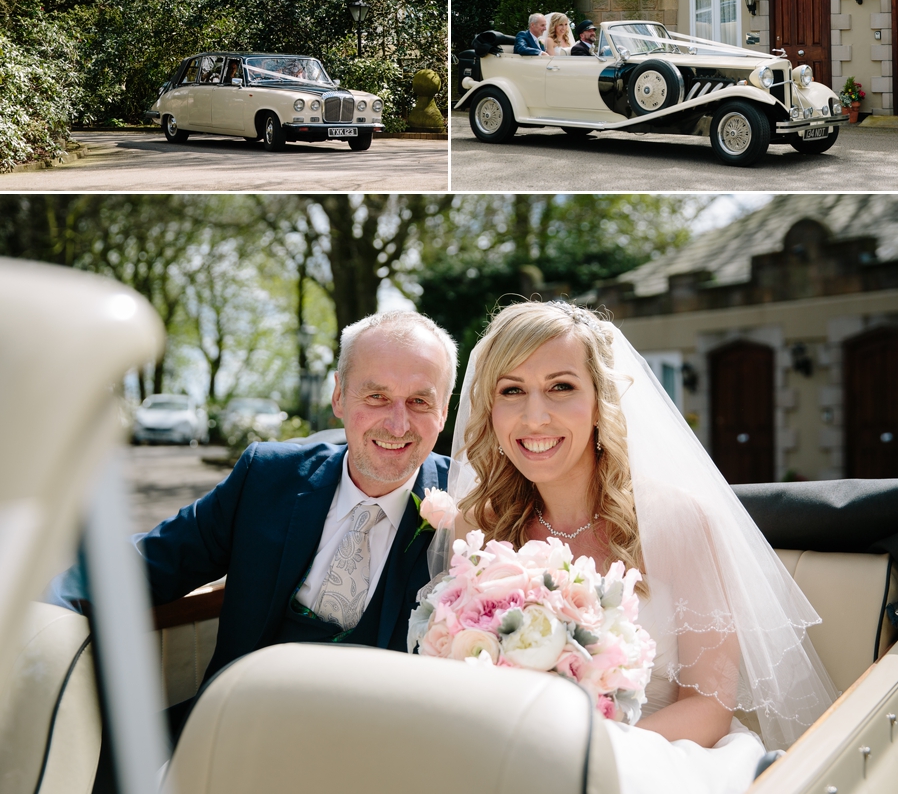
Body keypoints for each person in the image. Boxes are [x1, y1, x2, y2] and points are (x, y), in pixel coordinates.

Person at [443, 300, 837, 794]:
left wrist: (586, 757)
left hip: (657, 758)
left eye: (560, 387)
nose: (534, 416)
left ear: (599, 400)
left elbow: (710, 706)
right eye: (512, 391)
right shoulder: (479, 524)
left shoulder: (677, 520)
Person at [52, 310, 457, 694]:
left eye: (420, 402)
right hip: (230, 726)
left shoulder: (473, 511)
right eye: (376, 396)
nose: (398, 424)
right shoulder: (266, 476)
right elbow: (154, 562)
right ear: (338, 396)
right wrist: (35, 605)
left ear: (443, 411)